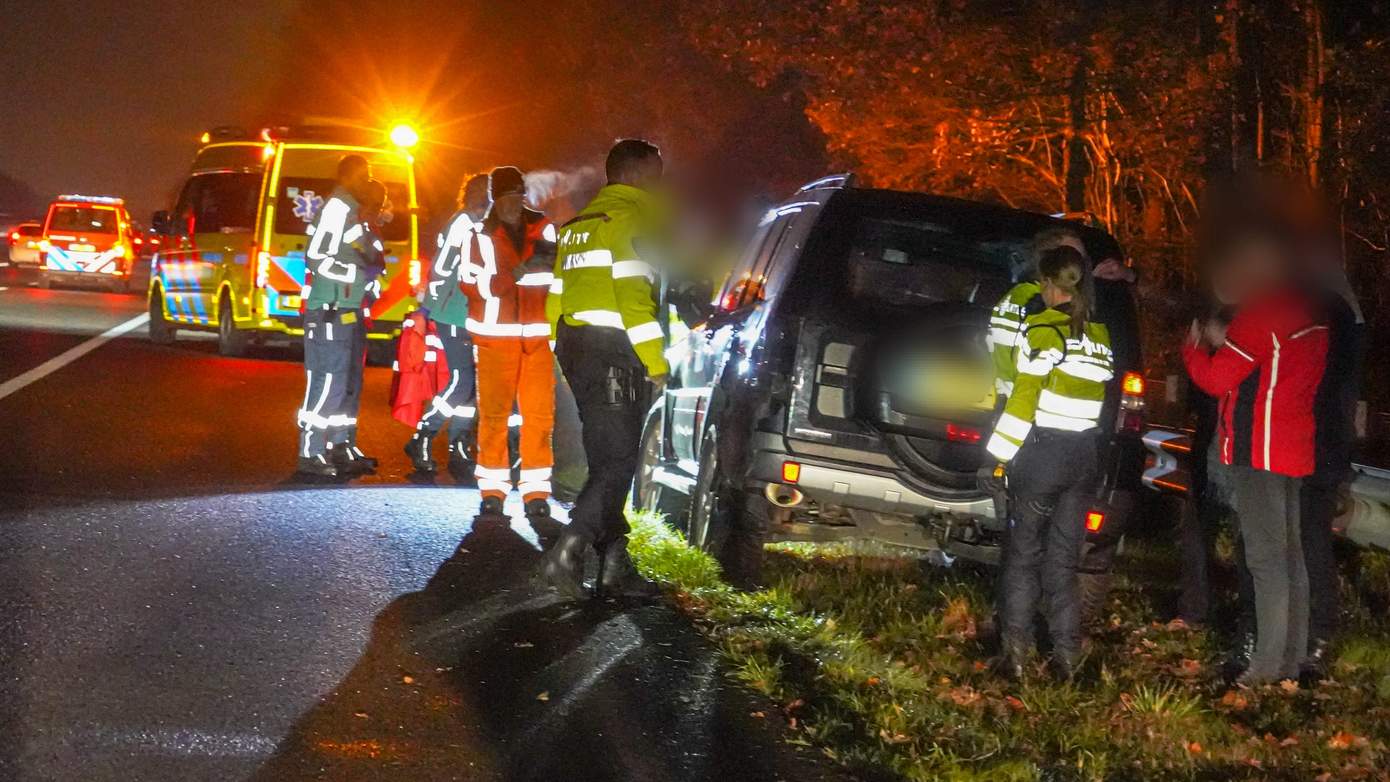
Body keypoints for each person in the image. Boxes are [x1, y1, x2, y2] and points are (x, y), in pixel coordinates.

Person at [1182, 232, 1328, 685]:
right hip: (1294, 448)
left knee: (1266, 562)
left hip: (1259, 452)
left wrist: (1192, 348)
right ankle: (1291, 658)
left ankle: (1263, 669)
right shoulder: (1302, 311)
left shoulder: (1260, 316)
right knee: (1291, 559)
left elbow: (1213, 379)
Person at [539, 139, 668, 599]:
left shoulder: (579, 224)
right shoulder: (635, 220)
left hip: (577, 347)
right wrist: (656, 361)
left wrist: (561, 345)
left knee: (605, 459)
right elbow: (635, 298)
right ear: (636, 175)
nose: (661, 180)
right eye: (656, 171)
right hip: (617, 351)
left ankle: (615, 567)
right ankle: (569, 549)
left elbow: (556, 291)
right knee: (618, 462)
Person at [983, 245, 1114, 680]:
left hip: (1043, 456)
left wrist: (998, 457)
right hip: (1084, 457)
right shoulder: (1098, 335)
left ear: (1045, 283)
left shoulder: (1041, 328)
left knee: (1022, 557)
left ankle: (1016, 656)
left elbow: (1023, 400)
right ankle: (1067, 658)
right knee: (1063, 561)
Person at [460, 167, 557, 517]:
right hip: (494, 339)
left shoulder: (544, 228)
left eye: (517, 197)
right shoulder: (478, 236)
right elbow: (472, 286)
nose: (513, 205)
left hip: (537, 339)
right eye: (506, 198)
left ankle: (536, 493)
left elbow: (553, 278)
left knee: (540, 416)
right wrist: (513, 275)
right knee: (493, 416)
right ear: (495, 199)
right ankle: (493, 489)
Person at [294, 154, 378, 477]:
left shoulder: (350, 210)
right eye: (365, 175)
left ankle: (334, 447)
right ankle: (310, 451)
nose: (368, 181)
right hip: (329, 307)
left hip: (342, 308)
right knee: (327, 380)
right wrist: (355, 275)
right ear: (350, 176)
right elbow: (316, 256)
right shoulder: (338, 208)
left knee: (340, 382)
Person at [404, 174, 491, 476]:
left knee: (470, 388)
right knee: (461, 381)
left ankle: (459, 445)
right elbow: (441, 267)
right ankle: (423, 435)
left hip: (469, 313)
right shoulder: (463, 223)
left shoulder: (475, 224)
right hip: (454, 311)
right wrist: (427, 306)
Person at [988, 226, 1089, 398]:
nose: (1078, 266)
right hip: (1027, 404)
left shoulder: (1017, 293)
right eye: (1071, 257)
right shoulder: (1045, 304)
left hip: (1002, 395)